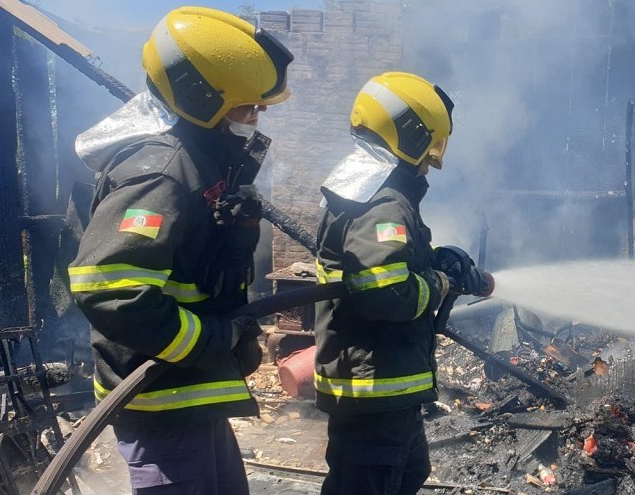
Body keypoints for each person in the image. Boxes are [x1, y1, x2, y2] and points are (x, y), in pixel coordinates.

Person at [67, 7, 293, 494]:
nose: (257, 117)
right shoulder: (162, 172)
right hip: (163, 397)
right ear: (202, 98)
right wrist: (211, 339)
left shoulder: (198, 163)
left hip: (191, 393)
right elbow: (109, 287)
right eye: (247, 107)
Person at [312, 71, 492, 495]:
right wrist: (442, 282)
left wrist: (432, 258)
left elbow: (380, 268)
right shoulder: (383, 202)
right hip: (375, 387)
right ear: (409, 135)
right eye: (429, 145)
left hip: (386, 386)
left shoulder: (368, 190)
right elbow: (388, 293)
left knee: (408, 473)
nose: (431, 159)